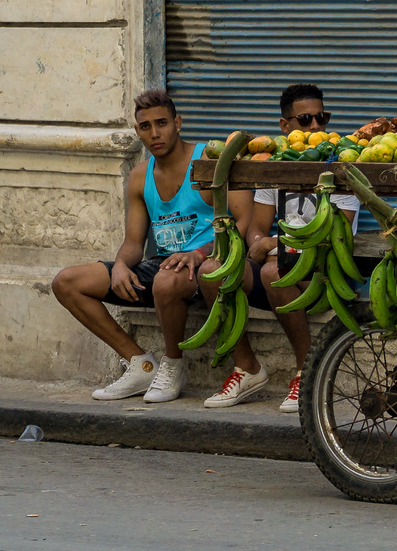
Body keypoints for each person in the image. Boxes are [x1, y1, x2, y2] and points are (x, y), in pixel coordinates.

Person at [50, 88, 252, 404]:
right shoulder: (139, 176)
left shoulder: (209, 162)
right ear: (137, 131)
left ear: (178, 123)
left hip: (206, 264)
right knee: (67, 282)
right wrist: (119, 266)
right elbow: (134, 242)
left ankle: (172, 366)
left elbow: (242, 225)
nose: (155, 133)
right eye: (146, 127)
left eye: (162, 123)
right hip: (163, 265)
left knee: (166, 278)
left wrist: (199, 254)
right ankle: (141, 364)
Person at [196, 83, 359, 410]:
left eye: (321, 118)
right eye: (305, 120)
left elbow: (333, 237)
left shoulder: (339, 164)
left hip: (327, 272)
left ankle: (307, 371)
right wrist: (260, 243)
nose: (316, 127)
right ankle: (247, 368)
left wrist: (271, 244)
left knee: (273, 270)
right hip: (283, 265)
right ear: (285, 127)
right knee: (212, 271)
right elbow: (256, 230)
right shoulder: (274, 165)